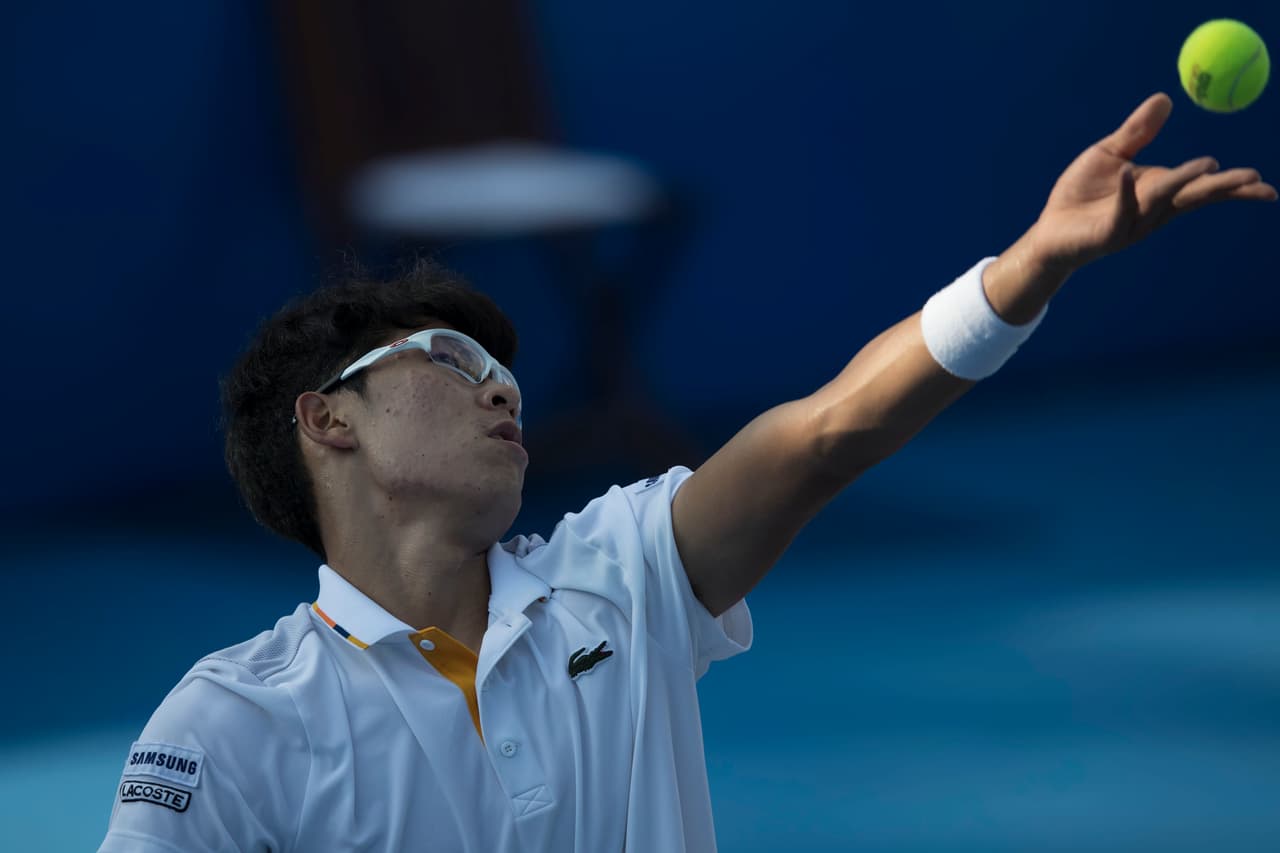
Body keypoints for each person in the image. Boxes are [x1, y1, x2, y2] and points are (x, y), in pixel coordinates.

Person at [98, 92, 1274, 852]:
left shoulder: (618, 578)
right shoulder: (231, 724)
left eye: (504, 373)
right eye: (451, 362)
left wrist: (1029, 265)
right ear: (326, 420)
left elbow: (825, 432)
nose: (503, 390)